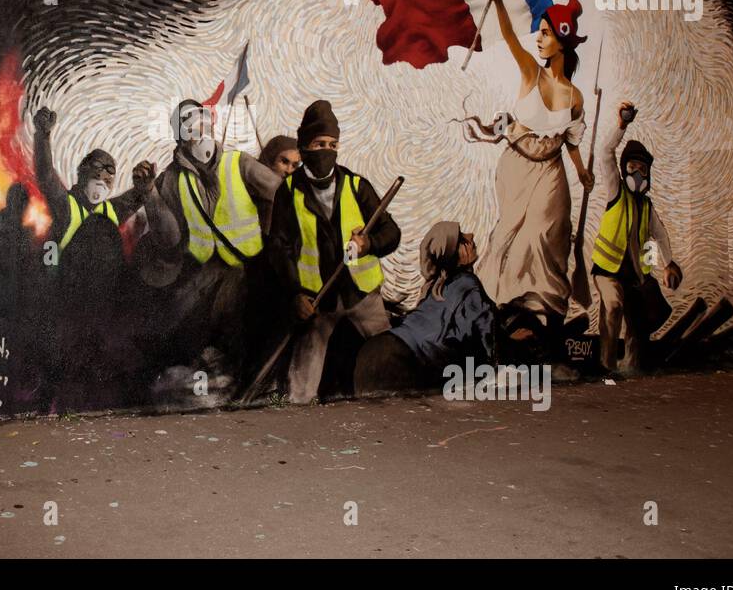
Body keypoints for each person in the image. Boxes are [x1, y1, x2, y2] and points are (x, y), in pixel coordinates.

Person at [471, 0, 593, 339]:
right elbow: (509, 37)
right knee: (512, 235)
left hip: (552, 169)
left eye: (545, 33)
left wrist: (582, 171)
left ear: (562, 41)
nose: (539, 39)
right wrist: (498, 2)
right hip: (518, 164)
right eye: (539, 32)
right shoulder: (530, 71)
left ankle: (546, 310)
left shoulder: (575, 97)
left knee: (548, 235)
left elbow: (571, 140)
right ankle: (506, 306)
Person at [137, 99, 283, 392]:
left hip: (250, 264)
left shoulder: (238, 163)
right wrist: (149, 194)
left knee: (248, 317)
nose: (195, 123)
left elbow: (283, 195)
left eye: (200, 115)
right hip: (204, 269)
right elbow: (169, 238)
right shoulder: (169, 179)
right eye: (186, 119)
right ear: (177, 133)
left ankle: (251, 379)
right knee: (182, 319)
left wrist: (272, 233)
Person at [268, 100, 401, 404]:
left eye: (332, 144)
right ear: (304, 147)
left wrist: (369, 244)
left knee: (387, 352)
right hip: (318, 300)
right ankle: (298, 419)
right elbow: (280, 248)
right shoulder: (289, 193)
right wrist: (295, 295)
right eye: (319, 143)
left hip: (362, 294)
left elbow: (391, 233)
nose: (327, 150)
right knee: (300, 386)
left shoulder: (357, 186)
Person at [591, 101, 682, 374]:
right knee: (613, 307)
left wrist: (669, 263)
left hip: (634, 277)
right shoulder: (615, 191)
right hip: (607, 270)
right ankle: (606, 366)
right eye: (633, 167)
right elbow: (605, 152)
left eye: (643, 169)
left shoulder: (647, 206)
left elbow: (660, 235)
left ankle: (631, 366)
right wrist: (621, 125)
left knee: (637, 322)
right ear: (624, 169)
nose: (638, 173)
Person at [354, 222, 497, 395]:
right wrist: (496, 366)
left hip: (375, 352)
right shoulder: (467, 284)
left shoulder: (433, 289)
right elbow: (487, 332)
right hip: (399, 360)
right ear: (452, 255)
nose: (471, 236)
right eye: (461, 238)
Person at [32, 106, 155, 261]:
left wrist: (145, 186)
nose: (103, 178)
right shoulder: (67, 205)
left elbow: (137, 197)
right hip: (65, 278)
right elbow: (46, 176)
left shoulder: (110, 210)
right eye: (98, 170)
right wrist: (42, 136)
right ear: (84, 171)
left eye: (109, 176)